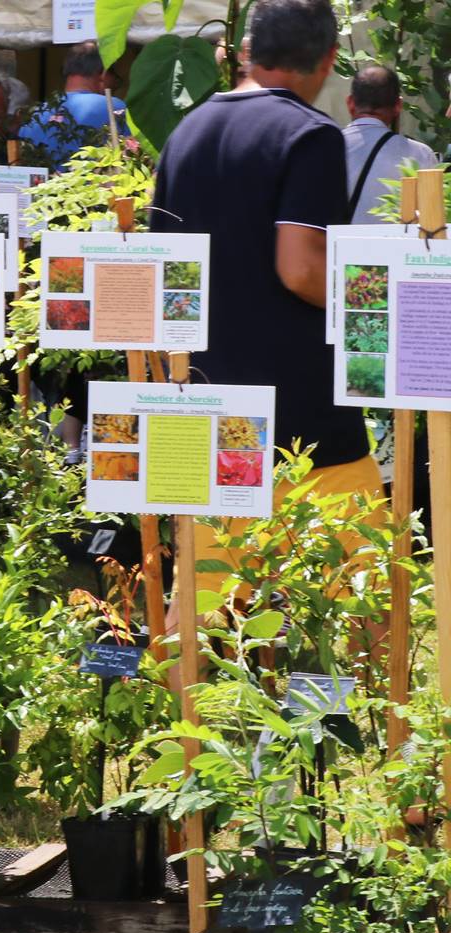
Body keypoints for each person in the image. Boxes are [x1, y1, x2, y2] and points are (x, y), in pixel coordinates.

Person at [151, 0, 382, 584]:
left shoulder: (184, 134)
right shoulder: (311, 135)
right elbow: (300, 268)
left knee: (205, 608)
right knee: (359, 598)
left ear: (248, 50)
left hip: (206, 404)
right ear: (329, 59)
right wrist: (379, 302)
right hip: (303, 421)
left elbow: (165, 276)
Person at [343, 64, 438, 224]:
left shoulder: (326, 148)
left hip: (334, 241)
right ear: (398, 105)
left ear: (350, 103)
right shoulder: (421, 155)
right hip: (399, 241)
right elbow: (432, 223)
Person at [19, 42, 130, 168]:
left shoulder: (35, 115)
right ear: (103, 74)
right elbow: (132, 155)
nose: (115, 83)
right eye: (114, 77)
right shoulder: (114, 107)